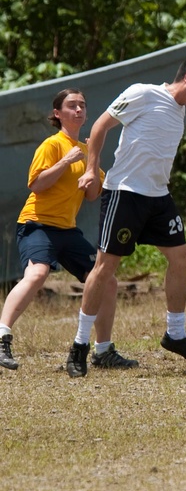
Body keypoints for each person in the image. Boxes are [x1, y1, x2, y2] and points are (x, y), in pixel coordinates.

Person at [66, 56, 186, 377]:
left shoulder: (178, 110)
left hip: (158, 197)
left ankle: (175, 334)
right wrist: (92, 170)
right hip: (125, 194)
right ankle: (80, 346)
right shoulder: (143, 93)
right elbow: (99, 127)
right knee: (105, 267)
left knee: (181, 259)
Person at [0, 90, 136, 372]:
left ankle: (103, 351)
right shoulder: (52, 145)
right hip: (37, 223)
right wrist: (66, 161)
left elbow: (92, 195)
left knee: (107, 281)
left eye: (82, 106)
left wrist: (92, 167)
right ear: (58, 114)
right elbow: (36, 185)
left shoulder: (88, 152)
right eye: (71, 106)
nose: (78, 110)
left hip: (67, 230)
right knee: (37, 273)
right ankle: (2, 336)